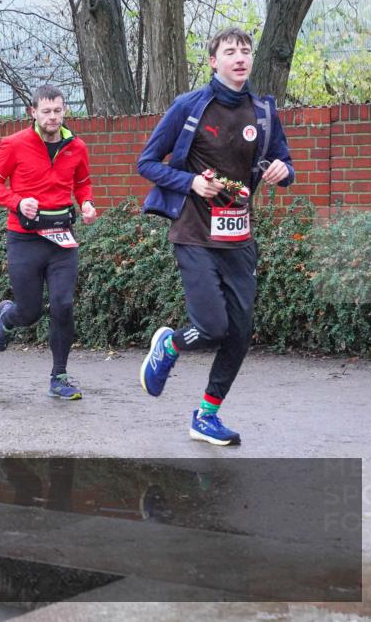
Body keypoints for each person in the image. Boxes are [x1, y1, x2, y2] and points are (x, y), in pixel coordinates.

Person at [137, 27, 294, 446]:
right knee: (210, 327)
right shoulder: (190, 106)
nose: (240, 58)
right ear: (213, 61)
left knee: (240, 334)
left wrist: (283, 172)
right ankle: (169, 346)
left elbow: (284, 163)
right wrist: (190, 182)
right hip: (194, 233)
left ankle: (206, 415)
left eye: (245, 51)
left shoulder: (263, 111)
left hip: (239, 239)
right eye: (230, 51)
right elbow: (147, 162)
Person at [0, 84, 97, 400]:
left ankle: (59, 376)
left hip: (62, 239)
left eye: (57, 110)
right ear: (32, 112)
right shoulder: (13, 144)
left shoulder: (77, 146)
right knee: (30, 312)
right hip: (24, 239)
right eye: (46, 111)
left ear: (65, 111)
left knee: (63, 305)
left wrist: (86, 204)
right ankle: (8, 317)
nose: (52, 117)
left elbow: (83, 184)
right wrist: (17, 202)